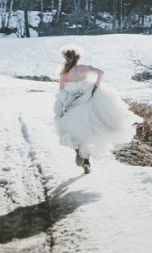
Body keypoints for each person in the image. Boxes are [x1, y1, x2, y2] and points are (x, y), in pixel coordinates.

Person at [54, 46, 142, 174]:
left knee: (73, 131)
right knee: (90, 131)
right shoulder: (84, 68)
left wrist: (64, 104)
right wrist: (96, 85)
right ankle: (86, 160)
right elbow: (101, 72)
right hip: (87, 100)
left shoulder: (64, 72)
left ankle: (80, 154)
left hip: (72, 103)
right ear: (78, 58)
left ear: (65, 58)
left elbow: (62, 90)